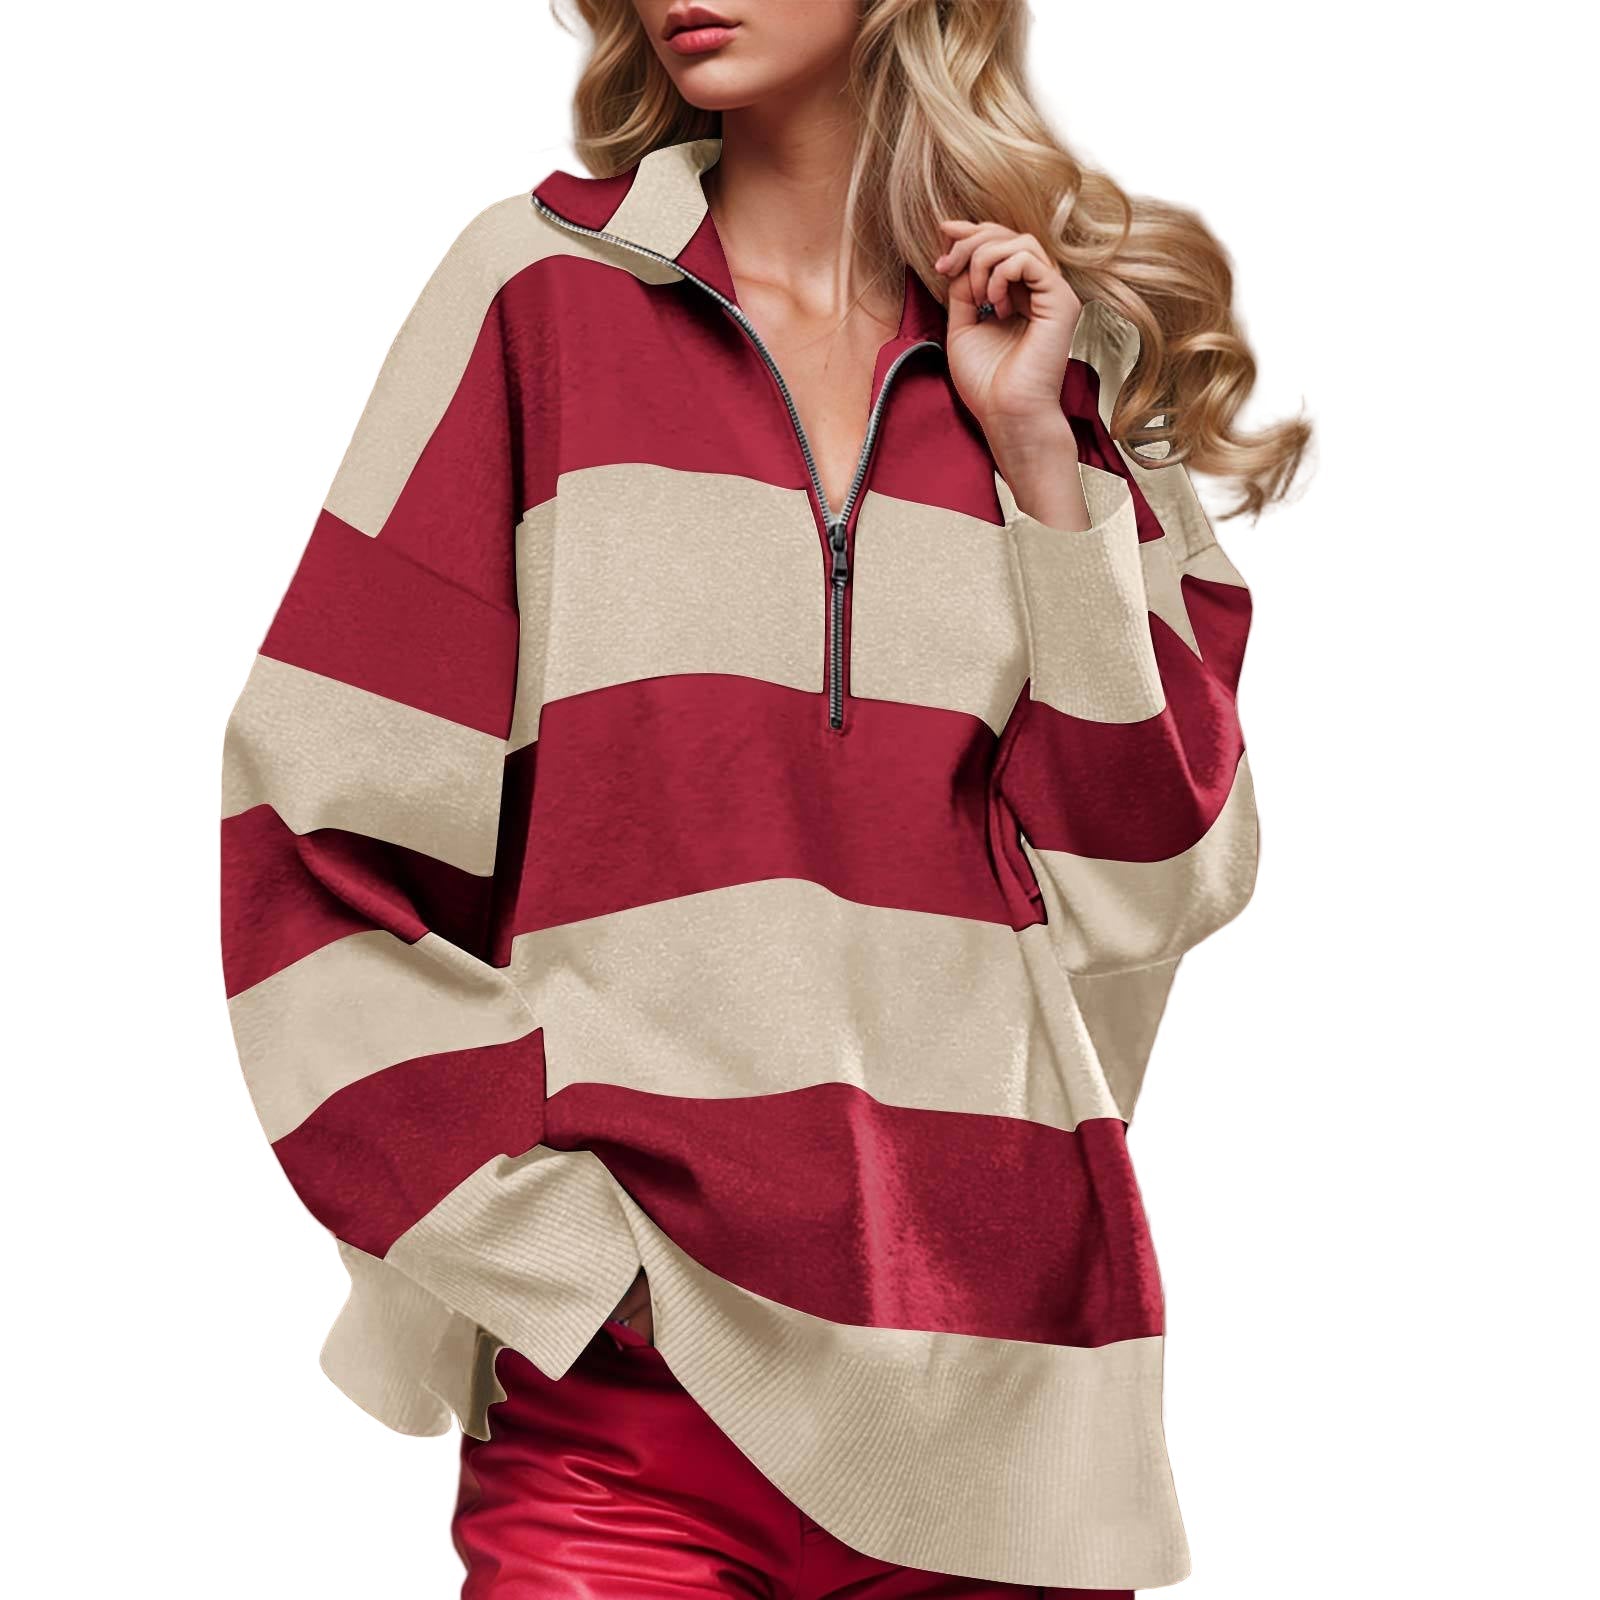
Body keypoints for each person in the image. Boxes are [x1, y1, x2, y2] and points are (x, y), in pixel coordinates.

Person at [217, 1, 1308, 1594]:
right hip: (629, 1404)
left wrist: (1035, 456)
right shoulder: (538, 297)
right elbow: (309, 826)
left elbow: (1159, 880)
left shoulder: (1055, 367)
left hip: (1003, 1401)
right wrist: (556, 1262)